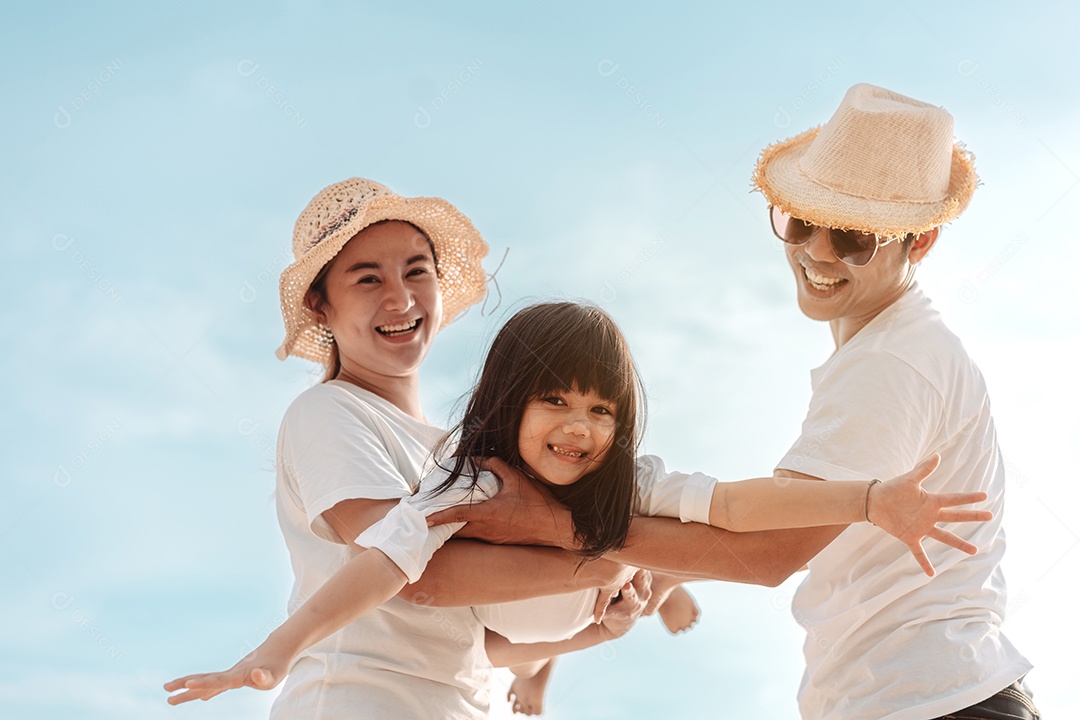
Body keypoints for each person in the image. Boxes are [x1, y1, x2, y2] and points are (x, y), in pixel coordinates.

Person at [427, 85, 1038, 719]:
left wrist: (553, 526)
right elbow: (747, 524)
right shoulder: (889, 350)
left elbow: (766, 553)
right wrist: (662, 574)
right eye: (803, 221)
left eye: (856, 237)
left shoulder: (890, 364)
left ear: (921, 242)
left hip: (930, 703)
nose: (819, 253)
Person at [166, 302, 991, 714]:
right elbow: (388, 564)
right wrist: (275, 649)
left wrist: (872, 499)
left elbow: (738, 507)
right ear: (508, 403)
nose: (579, 427)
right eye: (555, 402)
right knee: (634, 565)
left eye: (602, 410)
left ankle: (591, 633)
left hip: (546, 625)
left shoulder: (625, 480)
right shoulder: (471, 483)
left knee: (654, 558)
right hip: (483, 635)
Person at [163, 178, 645, 720]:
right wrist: (605, 563)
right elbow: (422, 576)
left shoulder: (460, 455)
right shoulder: (329, 412)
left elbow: (475, 641)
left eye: (417, 270)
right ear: (320, 306)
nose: (400, 298)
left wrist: (599, 628)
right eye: (368, 278)